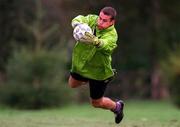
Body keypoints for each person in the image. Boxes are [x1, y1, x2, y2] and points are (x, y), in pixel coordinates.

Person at [68, 6, 124, 124]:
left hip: (99, 73)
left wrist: (97, 42)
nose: (100, 21)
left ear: (112, 22)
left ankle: (117, 107)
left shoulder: (112, 35)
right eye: (100, 18)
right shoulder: (92, 20)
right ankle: (88, 79)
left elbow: (107, 46)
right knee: (72, 84)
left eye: (104, 20)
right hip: (83, 67)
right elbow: (79, 18)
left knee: (96, 103)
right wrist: (78, 25)